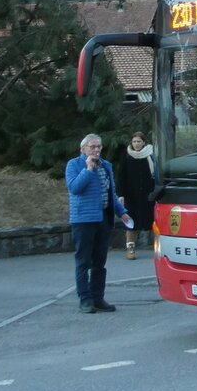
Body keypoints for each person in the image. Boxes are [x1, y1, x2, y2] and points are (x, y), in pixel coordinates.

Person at [65, 133, 131, 314]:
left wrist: (122, 212)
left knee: (99, 263)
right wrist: (88, 169)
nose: (96, 150)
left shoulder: (106, 166)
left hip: (103, 219)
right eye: (92, 147)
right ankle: (85, 300)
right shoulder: (74, 165)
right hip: (83, 220)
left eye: (99, 146)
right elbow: (75, 188)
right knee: (83, 261)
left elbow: (111, 194)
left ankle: (98, 297)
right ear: (83, 149)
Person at [116, 131, 155, 260]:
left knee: (154, 221)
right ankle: (130, 248)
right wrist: (121, 194)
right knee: (131, 223)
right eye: (134, 141)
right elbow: (121, 175)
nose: (136, 144)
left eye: (139, 141)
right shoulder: (127, 155)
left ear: (144, 142)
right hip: (131, 195)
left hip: (148, 194)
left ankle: (159, 247)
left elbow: (156, 174)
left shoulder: (151, 154)